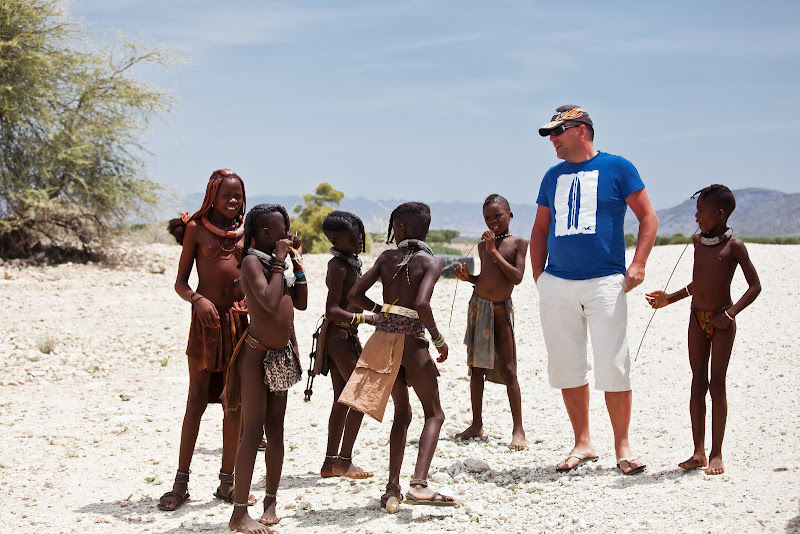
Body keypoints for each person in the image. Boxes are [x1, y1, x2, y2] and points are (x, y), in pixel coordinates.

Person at [530, 106, 658, 475]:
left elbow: (648, 216)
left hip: (605, 282)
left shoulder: (618, 168)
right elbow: (540, 229)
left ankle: (623, 447)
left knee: (614, 365)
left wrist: (638, 263)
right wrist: (540, 277)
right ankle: (583, 442)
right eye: (550, 134)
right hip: (557, 284)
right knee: (567, 366)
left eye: (558, 132)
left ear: (581, 131)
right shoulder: (552, 176)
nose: (552, 140)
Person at [340, 202, 456, 511]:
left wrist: (381, 311)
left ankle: (392, 489)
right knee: (434, 414)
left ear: (400, 228)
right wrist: (439, 340)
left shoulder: (386, 258)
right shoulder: (431, 261)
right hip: (413, 343)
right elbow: (422, 303)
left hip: (383, 340)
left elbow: (353, 295)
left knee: (401, 415)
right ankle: (418, 484)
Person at [646, 185, 760, 475]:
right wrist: (670, 298)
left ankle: (717, 453)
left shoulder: (735, 247)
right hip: (696, 318)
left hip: (722, 322)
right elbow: (700, 283)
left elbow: (755, 286)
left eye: (701, 211)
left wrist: (730, 314)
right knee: (697, 381)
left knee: (716, 383)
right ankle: (698, 452)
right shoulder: (697, 241)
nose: (696, 216)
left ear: (719, 214)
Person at [159, 168, 253, 511]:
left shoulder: (249, 231)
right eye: (227, 194)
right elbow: (181, 282)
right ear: (211, 196)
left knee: (235, 403)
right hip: (206, 323)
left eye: (239, 195)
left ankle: (227, 483)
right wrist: (197, 300)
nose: (233, 201)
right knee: (196, 401)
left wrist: (251, 300)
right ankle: (180, 483)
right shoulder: (197, 230)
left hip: (239, 324)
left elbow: (255, 274)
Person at [225, 204, 307, 533]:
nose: (286, 235)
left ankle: (270, 498)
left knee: (276, 428)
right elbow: (269, 301)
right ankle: (239, 512)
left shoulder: (280, 265)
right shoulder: (251, 262)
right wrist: (279, 260)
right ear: (263, 235)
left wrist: (296, 264)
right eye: (279, 231)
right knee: (253, 431)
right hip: (256, 356)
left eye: (287, 229)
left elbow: (299, 301)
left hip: (280, 354)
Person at [454, 194, 529, 450]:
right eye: (487, 218)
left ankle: (518, 429)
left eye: (497, 216)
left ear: (510, 215)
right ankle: (476, 424)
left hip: (499, 311)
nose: (492, 221)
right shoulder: (483, 247)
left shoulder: (518, 243)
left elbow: (516, 277)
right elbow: (485, 279)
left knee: (508, 369)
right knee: (476, 368)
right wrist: (469, 278)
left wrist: (494, 252)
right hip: (479, 307)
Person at [316, 211, 376, 479]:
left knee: (342, 399)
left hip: (342, 336)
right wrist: (366, 318)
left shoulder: (349, 263)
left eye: (361, 232)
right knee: (361, 396)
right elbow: (332, 310)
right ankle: (344, 460)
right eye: (354, 236)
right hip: (340, 337)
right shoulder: (338, 266)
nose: (360, 239)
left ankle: (330, 463)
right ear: (337, 241)